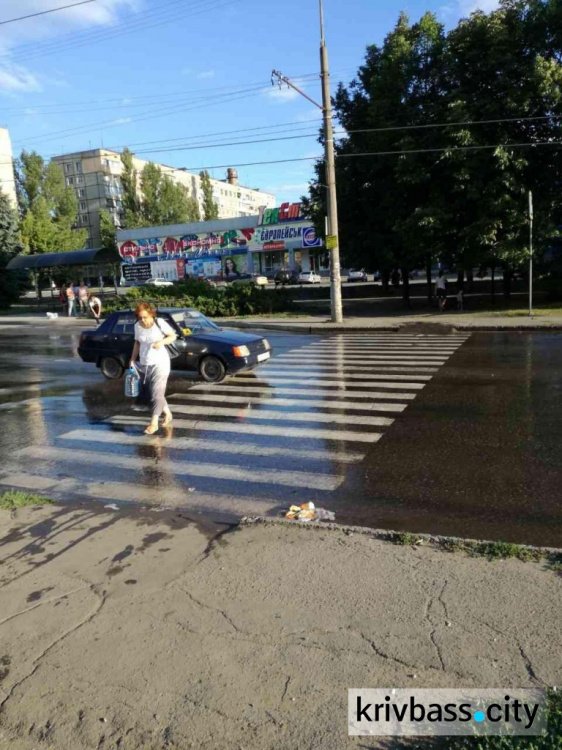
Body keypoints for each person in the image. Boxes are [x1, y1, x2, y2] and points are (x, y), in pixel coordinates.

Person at [130, 302, 177, 435]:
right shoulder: (137, 326)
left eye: (145, 317)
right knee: (156, 392)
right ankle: (167, 413)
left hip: (161, 362)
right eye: (140, 317)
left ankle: (154, 423)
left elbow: (172, 336)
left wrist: (161, 342)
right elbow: (137, 343)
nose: (143, 320)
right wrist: (132, 359)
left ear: (151, 314)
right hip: (145, 362)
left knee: (156, 392)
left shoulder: (159, 322)